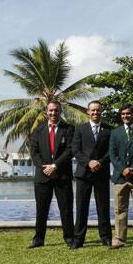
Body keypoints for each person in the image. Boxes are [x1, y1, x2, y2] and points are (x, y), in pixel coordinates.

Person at [28, 100, 75, 249]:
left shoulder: (69, 129)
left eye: (56, 110)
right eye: (51, 110)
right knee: (41, 209)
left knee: (66, 209)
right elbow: (34, 153)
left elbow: (70, 151)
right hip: (43, 177)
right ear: (46, 112)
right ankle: (38, 239)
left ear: (60, 112)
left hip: (62, 176)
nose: (53, 113)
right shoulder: (38, 130)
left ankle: (69, 238)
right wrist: (46, 169)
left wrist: (55, 166)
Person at [71, 100, 112, 249]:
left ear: (102, 112)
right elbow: (75, 149)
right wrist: (88, 162)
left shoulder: (109, 130)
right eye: (93, 110)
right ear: (88, 112)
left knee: (103, 207)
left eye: (98, 111)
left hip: (101, 173)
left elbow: (111, 151)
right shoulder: (80, 129)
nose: (95, 113)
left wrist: (100, 162)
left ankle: (106, 237)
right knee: (81, 207)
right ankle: (78, 239)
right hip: (83, 173)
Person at [109, 104, 133, 250]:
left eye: (129, 113)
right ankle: (119, 238)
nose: (126, 116)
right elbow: (112, 154)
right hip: (120, 178)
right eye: (123, 114)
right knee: (120, 209)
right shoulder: (115, 132)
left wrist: (132, 168)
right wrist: (122, 169)